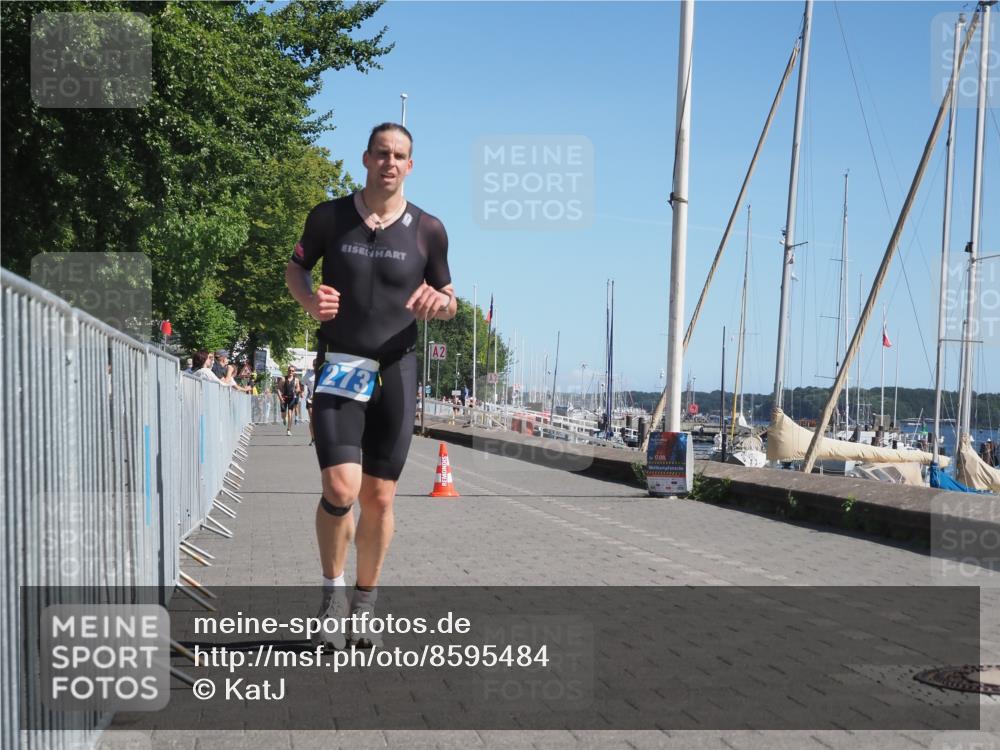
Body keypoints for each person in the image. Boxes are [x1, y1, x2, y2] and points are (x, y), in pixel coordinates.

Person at [285, 122, 456, 650]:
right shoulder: (329, 217)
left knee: (379, 500)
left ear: (410, 166)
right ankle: (331, 595)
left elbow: (449, 297)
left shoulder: (428, 229)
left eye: (400, 155)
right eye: (381, 152)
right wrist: (309, 300)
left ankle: (365, 604)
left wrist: (441, 304)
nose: (389, 161)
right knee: (340, 488)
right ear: (365, 158)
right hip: (340, 364)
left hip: (397, 369)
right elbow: (295, 269)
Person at [279, 365, 300, 436]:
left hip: (292, 398)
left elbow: (298, 388)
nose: (291, 372)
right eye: (290, 370)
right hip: (284, 398)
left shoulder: (296, 379)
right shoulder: (283, 379)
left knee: (290, 414)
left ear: (294, 372)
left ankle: (289, 430)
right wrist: (280, 398)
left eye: (292, 371)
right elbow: (278, 389)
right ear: (287, 371)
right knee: (283, 415)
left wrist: (296, 390)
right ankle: (284, 419)